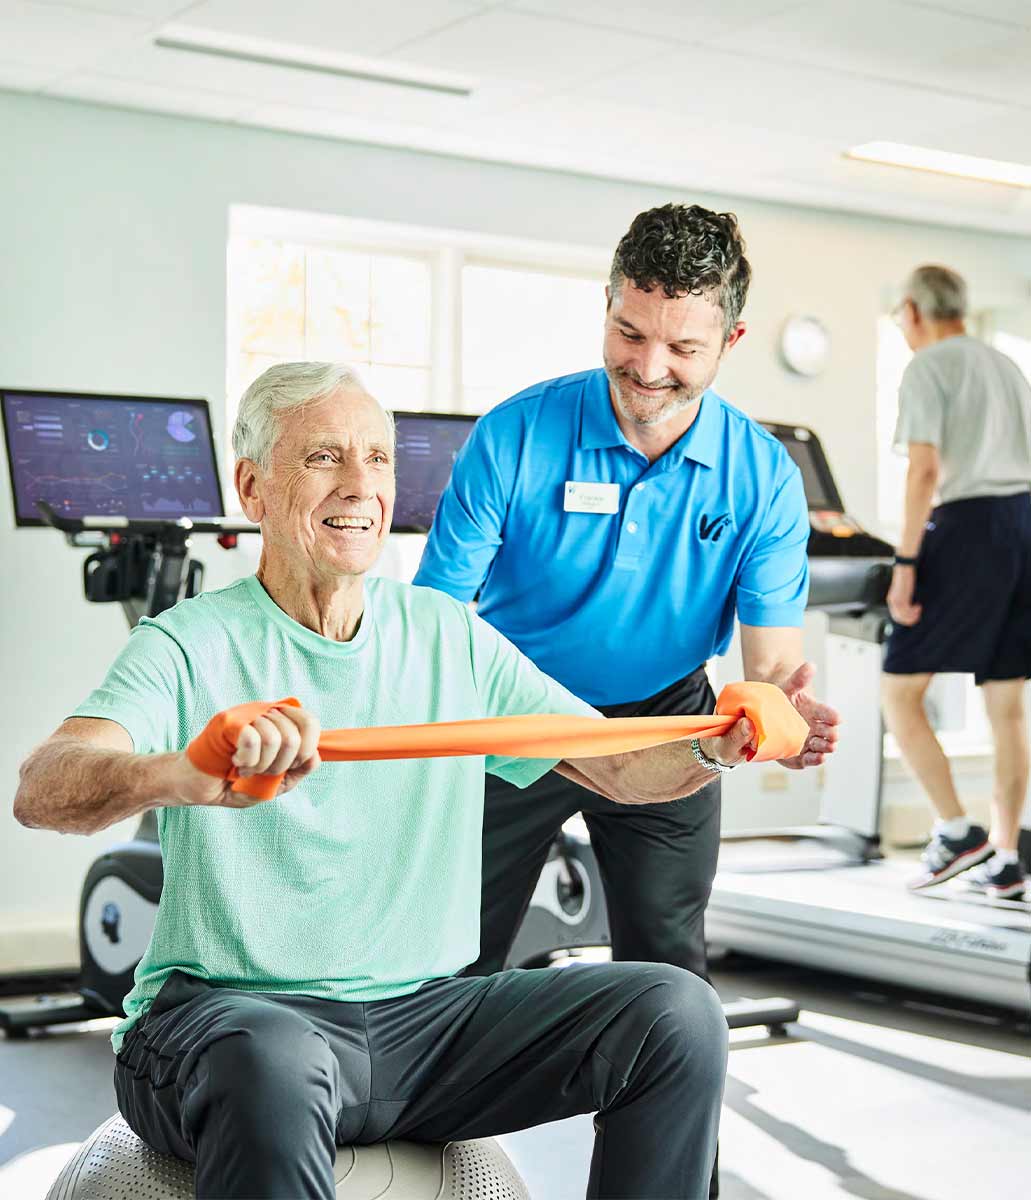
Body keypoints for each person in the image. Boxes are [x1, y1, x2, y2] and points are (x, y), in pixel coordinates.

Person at [14, 361, 765, 1200]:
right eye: (324, 457)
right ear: (254, 488)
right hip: (225, 1020)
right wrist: (181, 773)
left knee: (675, 1014)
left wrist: (722, 744)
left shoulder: (448, 636)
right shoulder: (189, 643)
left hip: (425, 1024)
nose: (359, 484)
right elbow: (45, 787)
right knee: (274, 1055)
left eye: (377, 458)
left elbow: (618, 764)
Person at [414, 203, 839, 986]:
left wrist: (783, 712)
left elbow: (772, 664)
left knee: (668, 966)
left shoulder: (762, 476)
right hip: (516, 714)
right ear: (606, 307)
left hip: (668, 718)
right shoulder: (512, 435)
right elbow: (434, 620)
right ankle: (433, 1107)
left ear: (729, 343)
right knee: (448, 960)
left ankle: (651, 1107)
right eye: (629, 333)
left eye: (682, 346)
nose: (648, 368)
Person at [882, 265, 1031, 900]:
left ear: (914, 311)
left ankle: (954, 827)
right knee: (1006, 701)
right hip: (1026, 524)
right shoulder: (1006, 366)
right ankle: (1006, 853)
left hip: (970, 526)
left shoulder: (929, 365)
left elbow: (924, 470)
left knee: (899, 689)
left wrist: (906, 565)